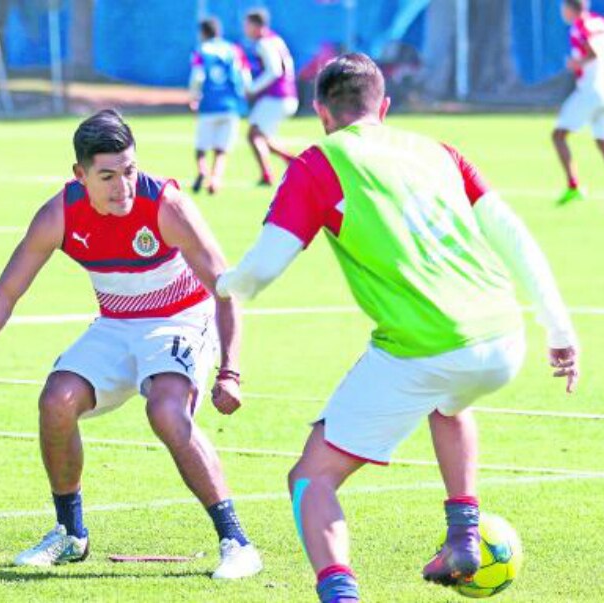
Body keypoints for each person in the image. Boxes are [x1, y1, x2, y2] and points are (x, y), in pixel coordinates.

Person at [216, 54, 580, 603]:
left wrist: (224, 285)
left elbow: (262, 269)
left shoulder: (319, 162)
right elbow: (514, 235)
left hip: (423, 347)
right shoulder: (440, 152)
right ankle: (463, 536)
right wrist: (559, 328)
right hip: (502, 337)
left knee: (311, 479)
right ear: (383, 107)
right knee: (450, 402)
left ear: (320, 112)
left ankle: (341, 594)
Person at [0, 110, 263, 578]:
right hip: (116, 323)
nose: (123, 187)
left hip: (181, 319)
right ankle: (71, 534)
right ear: (80, 175)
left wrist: (231, 371)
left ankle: (237, 542)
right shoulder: (59, 214)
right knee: (56, 401)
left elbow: (226, 290)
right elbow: (7, 291)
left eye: (129, 170)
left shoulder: (166, 205)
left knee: (166, 411)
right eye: (107, 176)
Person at [553, 0, 604, 210]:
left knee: (558, 135)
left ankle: (573, 186)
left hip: (590, 90)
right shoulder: (602, 22)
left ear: (571, 8)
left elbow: (593, 52)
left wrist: (578, 63)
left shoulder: (579, 26)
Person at [189, 16, 250, 195]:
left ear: (203, 33)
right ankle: (215, 179)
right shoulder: (233, 49)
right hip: (230, 105)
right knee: (222, 149)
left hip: (209, 104)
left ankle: (202, 170)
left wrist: (194, 96)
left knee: (201, 147)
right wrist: (245, 94)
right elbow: (244, 75)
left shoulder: (201, 50)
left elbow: (198, 76)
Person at [243, 8, 298, 186]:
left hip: (276, 97)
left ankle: (270, 173)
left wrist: (252, 88)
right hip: (287, 95)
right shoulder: (276, 39)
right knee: (262, 136)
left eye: (247, 25)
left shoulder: (264, 43)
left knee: (254, 135)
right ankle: (291, 162)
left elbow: (275, 71)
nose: (245, 29)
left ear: (256, 25)